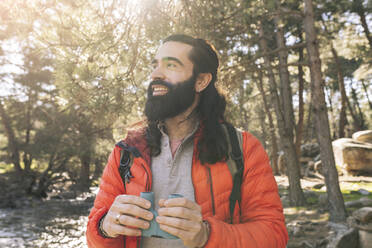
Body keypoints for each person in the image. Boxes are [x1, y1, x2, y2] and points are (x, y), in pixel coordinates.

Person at [86, 34, 288, 248]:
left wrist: (206, 235)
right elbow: (94, 239)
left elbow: (274, 235)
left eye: (171, 65)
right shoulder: (126, 151)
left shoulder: (243, 147)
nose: (156, 74)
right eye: (155, 65)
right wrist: (105, 227)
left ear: (201, 81)